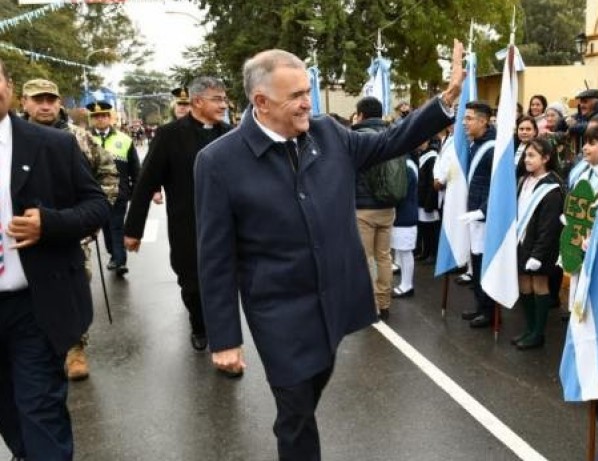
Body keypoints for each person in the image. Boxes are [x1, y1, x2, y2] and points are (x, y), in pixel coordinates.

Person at [193, 43, 464, 459]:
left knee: (312, 385)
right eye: (296, 96)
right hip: (279, 311)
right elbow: (214, 256)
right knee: (296, 410)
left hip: (335, 299)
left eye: (307, 92)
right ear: (261, 102)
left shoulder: (329, 134)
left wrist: (445, 100)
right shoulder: (218, 161)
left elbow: (390, 141)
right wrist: (225, 338)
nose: (308, 103)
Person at [0, 58, 110, 461]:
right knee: (9, 413)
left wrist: (50, 224)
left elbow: (97, 205)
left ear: (9, 87)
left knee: (40, 408)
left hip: (36, 304)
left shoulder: (54, 144)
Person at [20, 79, 119, 381]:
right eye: (38, 100)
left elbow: (107, 173)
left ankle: (75, 347)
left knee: (72, 286)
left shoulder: (79, 137)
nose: (45, 105)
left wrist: (92, 218)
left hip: (70, 228)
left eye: (50, 99)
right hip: (19, 231)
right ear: (24, 102)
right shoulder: (12, 137)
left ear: (60, 102)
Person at [124, 76, 231, 353]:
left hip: (227, 225)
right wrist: (133, 230)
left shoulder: (230, 134)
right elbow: (146, 182)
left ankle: (225, 339)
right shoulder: (169, 135)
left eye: (224, 99)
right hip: (187, 225)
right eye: (217, 99)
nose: (224, 105)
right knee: (192, 285)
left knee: (224, 284)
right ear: (198, 101)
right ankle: (199, 324)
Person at [513, 136, 564, 349]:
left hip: (540, 246)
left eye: (532, 155)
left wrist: (538, 254)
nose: (527, 159)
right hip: (521, 241)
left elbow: (549, 227)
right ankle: (530, 327)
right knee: (524, 284)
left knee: (539, 285)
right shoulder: (523, 180)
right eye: (526, 155)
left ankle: (538, 333)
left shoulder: (552, 187)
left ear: (546, 158)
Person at [352, 96, 398, 319]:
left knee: (366, 258)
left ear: (361, 115)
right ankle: (384, 302)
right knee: (384, 256)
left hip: (363, 208)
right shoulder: (392, 134)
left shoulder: (357, 137)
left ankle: (371, 306)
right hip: (388, 206)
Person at [88, 100, 139, 277]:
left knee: (117, 226)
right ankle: (113, 255)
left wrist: (136, 190)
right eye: (96, 116)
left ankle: (120, 260)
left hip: (119, 192)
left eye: (103, 116)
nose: (100, 119)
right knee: (106, 227)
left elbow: (135, 168)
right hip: (95, 195)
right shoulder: (84, 139)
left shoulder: (124, 139)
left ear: (110, 118)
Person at [459, 101, 498, 328]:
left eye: (469, 118)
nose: (464, 122)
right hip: (472, 213)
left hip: (484, 216)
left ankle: (489, 310)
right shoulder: (475, 144)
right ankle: (479, 305)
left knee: (484, 263)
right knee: (475, 261)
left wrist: (481, 211)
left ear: (483, 121)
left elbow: (497, 187)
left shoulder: (493, 148)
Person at [392, 152, 419, 298]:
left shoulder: (406, 166)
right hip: (404, 214)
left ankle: (407, 285)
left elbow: (399, 192)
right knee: (402, 250)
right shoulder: (405, 164)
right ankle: (405, 283)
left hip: (405, 215)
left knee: (405, 251)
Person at [415, 136, 441, 264]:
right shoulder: (423, 155)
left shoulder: (432, 157)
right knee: (424, 228)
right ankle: (425, 252)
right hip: (422, 198)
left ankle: (432, 254)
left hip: (428, 200)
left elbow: (432, 183)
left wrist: (429, 203)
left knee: (432, 229)